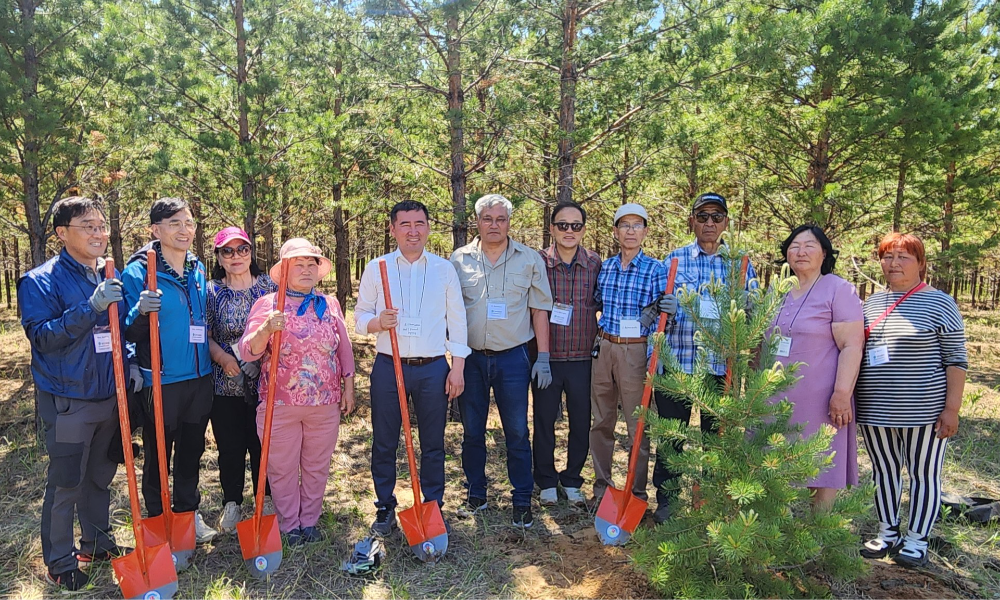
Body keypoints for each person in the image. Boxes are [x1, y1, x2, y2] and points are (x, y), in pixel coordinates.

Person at [18, 197, 139, 590]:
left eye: (101, 226)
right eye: (87, 225)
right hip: (69, 400)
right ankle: (60, 560)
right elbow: (43, 337)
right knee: (67, 480)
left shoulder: (108, 273)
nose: (98, 233)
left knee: (100, 475)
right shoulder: (40, 281)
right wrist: (90, 307)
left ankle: (97, 543)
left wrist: (133, 352)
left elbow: (118, 330)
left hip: (108, 396)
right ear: (61, 233)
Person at [356, 200, 470, 536]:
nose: (413, 231)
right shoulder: (378, 268)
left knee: (433, 441)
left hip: (433, 367)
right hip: (389, 367)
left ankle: (432, 505)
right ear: (392, 229)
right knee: (385, 441)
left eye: (419, 223)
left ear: (428, 227)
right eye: (405, 224)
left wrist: (458, 366)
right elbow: (360, 315)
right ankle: (384, 507)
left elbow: (458, 321)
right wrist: (378, 322)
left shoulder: (443, 269)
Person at [855, 232, 967, 568]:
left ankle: (916, 539)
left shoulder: (940, 302)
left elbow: (956, 359)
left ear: (921, 263)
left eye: (903, 256)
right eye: (887, 257)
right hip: (875, 410)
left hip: (924, 411)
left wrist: (952, 409)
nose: (893, 263)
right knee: (884, 471)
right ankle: (887, 531)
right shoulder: (871, 303)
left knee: (923, 474)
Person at [240, 238, 356, 545]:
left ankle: (310, 522)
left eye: (311, 264)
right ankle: (289, 525)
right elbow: (248, 351)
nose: (305, 270)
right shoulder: (267, 304)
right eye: (298, 265)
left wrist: (349, 386)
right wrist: (265, 330)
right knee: (282, 468)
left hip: (325, 403)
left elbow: (343, 348)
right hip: (280, 403)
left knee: (317, 465)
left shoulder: (328, 303)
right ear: (284, 270)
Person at [451, 194, 554, 528]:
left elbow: (540, 309)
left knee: (517, 431)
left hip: (513, 358)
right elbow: (450, 312)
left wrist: (544, 358)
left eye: (501, 219)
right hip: (471, 359)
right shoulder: (459, 260)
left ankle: (522, 499)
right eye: (487, 219)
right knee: (472, 431)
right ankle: (476, 494)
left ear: (509, 222)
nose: (494, 225)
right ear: (477, 222)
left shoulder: (529, 259)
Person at [654, 192, 757, 523]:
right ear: (692, 221)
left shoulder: (739, 263)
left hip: (719, 367)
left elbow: (755, 309)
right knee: (672, 437)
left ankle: (709, 500)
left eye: (716, 217)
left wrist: (744, 304)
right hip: (678, 363)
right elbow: (654, 310)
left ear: (726, 222)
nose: (709, 223)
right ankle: (668, 500)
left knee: (716, 441)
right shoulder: (674, 260)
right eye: (702, 216)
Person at [121, 197, 218, 543]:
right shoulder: (137, 272)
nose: (184, 230)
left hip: (199, 377)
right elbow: (124, 330)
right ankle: (159, 522)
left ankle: (188, 516)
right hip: (159, 381)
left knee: (192, 451)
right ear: (155, 229)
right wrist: (138, 312)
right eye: (174, 223)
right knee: (158, 456)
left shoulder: (198, 267)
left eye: (189, 223)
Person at [768, 225, 863, 510]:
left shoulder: (837, 288)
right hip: (776, 397)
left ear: (824, 253)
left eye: (809, 245)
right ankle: (775, 532)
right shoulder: (778, 289)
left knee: (821, 465)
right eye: (794, 246)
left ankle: (819, 534)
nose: (801, 251)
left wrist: (842, 393)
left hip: (821, 398)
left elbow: (851, 345)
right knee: (773, 461)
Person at [590, 203, 671, 506]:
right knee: (601, 421)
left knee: (637, 424)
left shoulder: (655, 269)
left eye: (638, 225)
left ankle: (635, 493)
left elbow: (664, 314)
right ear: (615, 231)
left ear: (646, 232)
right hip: (605, 346)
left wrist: (655, 352)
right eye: (625, 225)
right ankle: (602, 489)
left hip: (635, 350)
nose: (631, 231)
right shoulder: (606, 267)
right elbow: (596, 302)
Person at [206, 227, 276, 533]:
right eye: (228, 251)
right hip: (225, 382)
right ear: (219, 257)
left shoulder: (269, 288)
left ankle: (269, 498)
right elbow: (203, 335)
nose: (236, 257)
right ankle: (232, 503)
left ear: (251, 252)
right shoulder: (210, 292)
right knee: (231, 446)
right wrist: (223, 358)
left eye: (242, 250)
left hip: (266, 382)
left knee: (265, 443)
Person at [534, 201, 601, 507]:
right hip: (547, 358)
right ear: (552, 229)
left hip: (583, 360)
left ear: (584, 229)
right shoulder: (538, 263)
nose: (569, 231)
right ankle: (546, 480)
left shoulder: (596, 263)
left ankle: (573, 479)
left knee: (580, 423)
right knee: (544, 421)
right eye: (563, 225)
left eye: (576, 226)